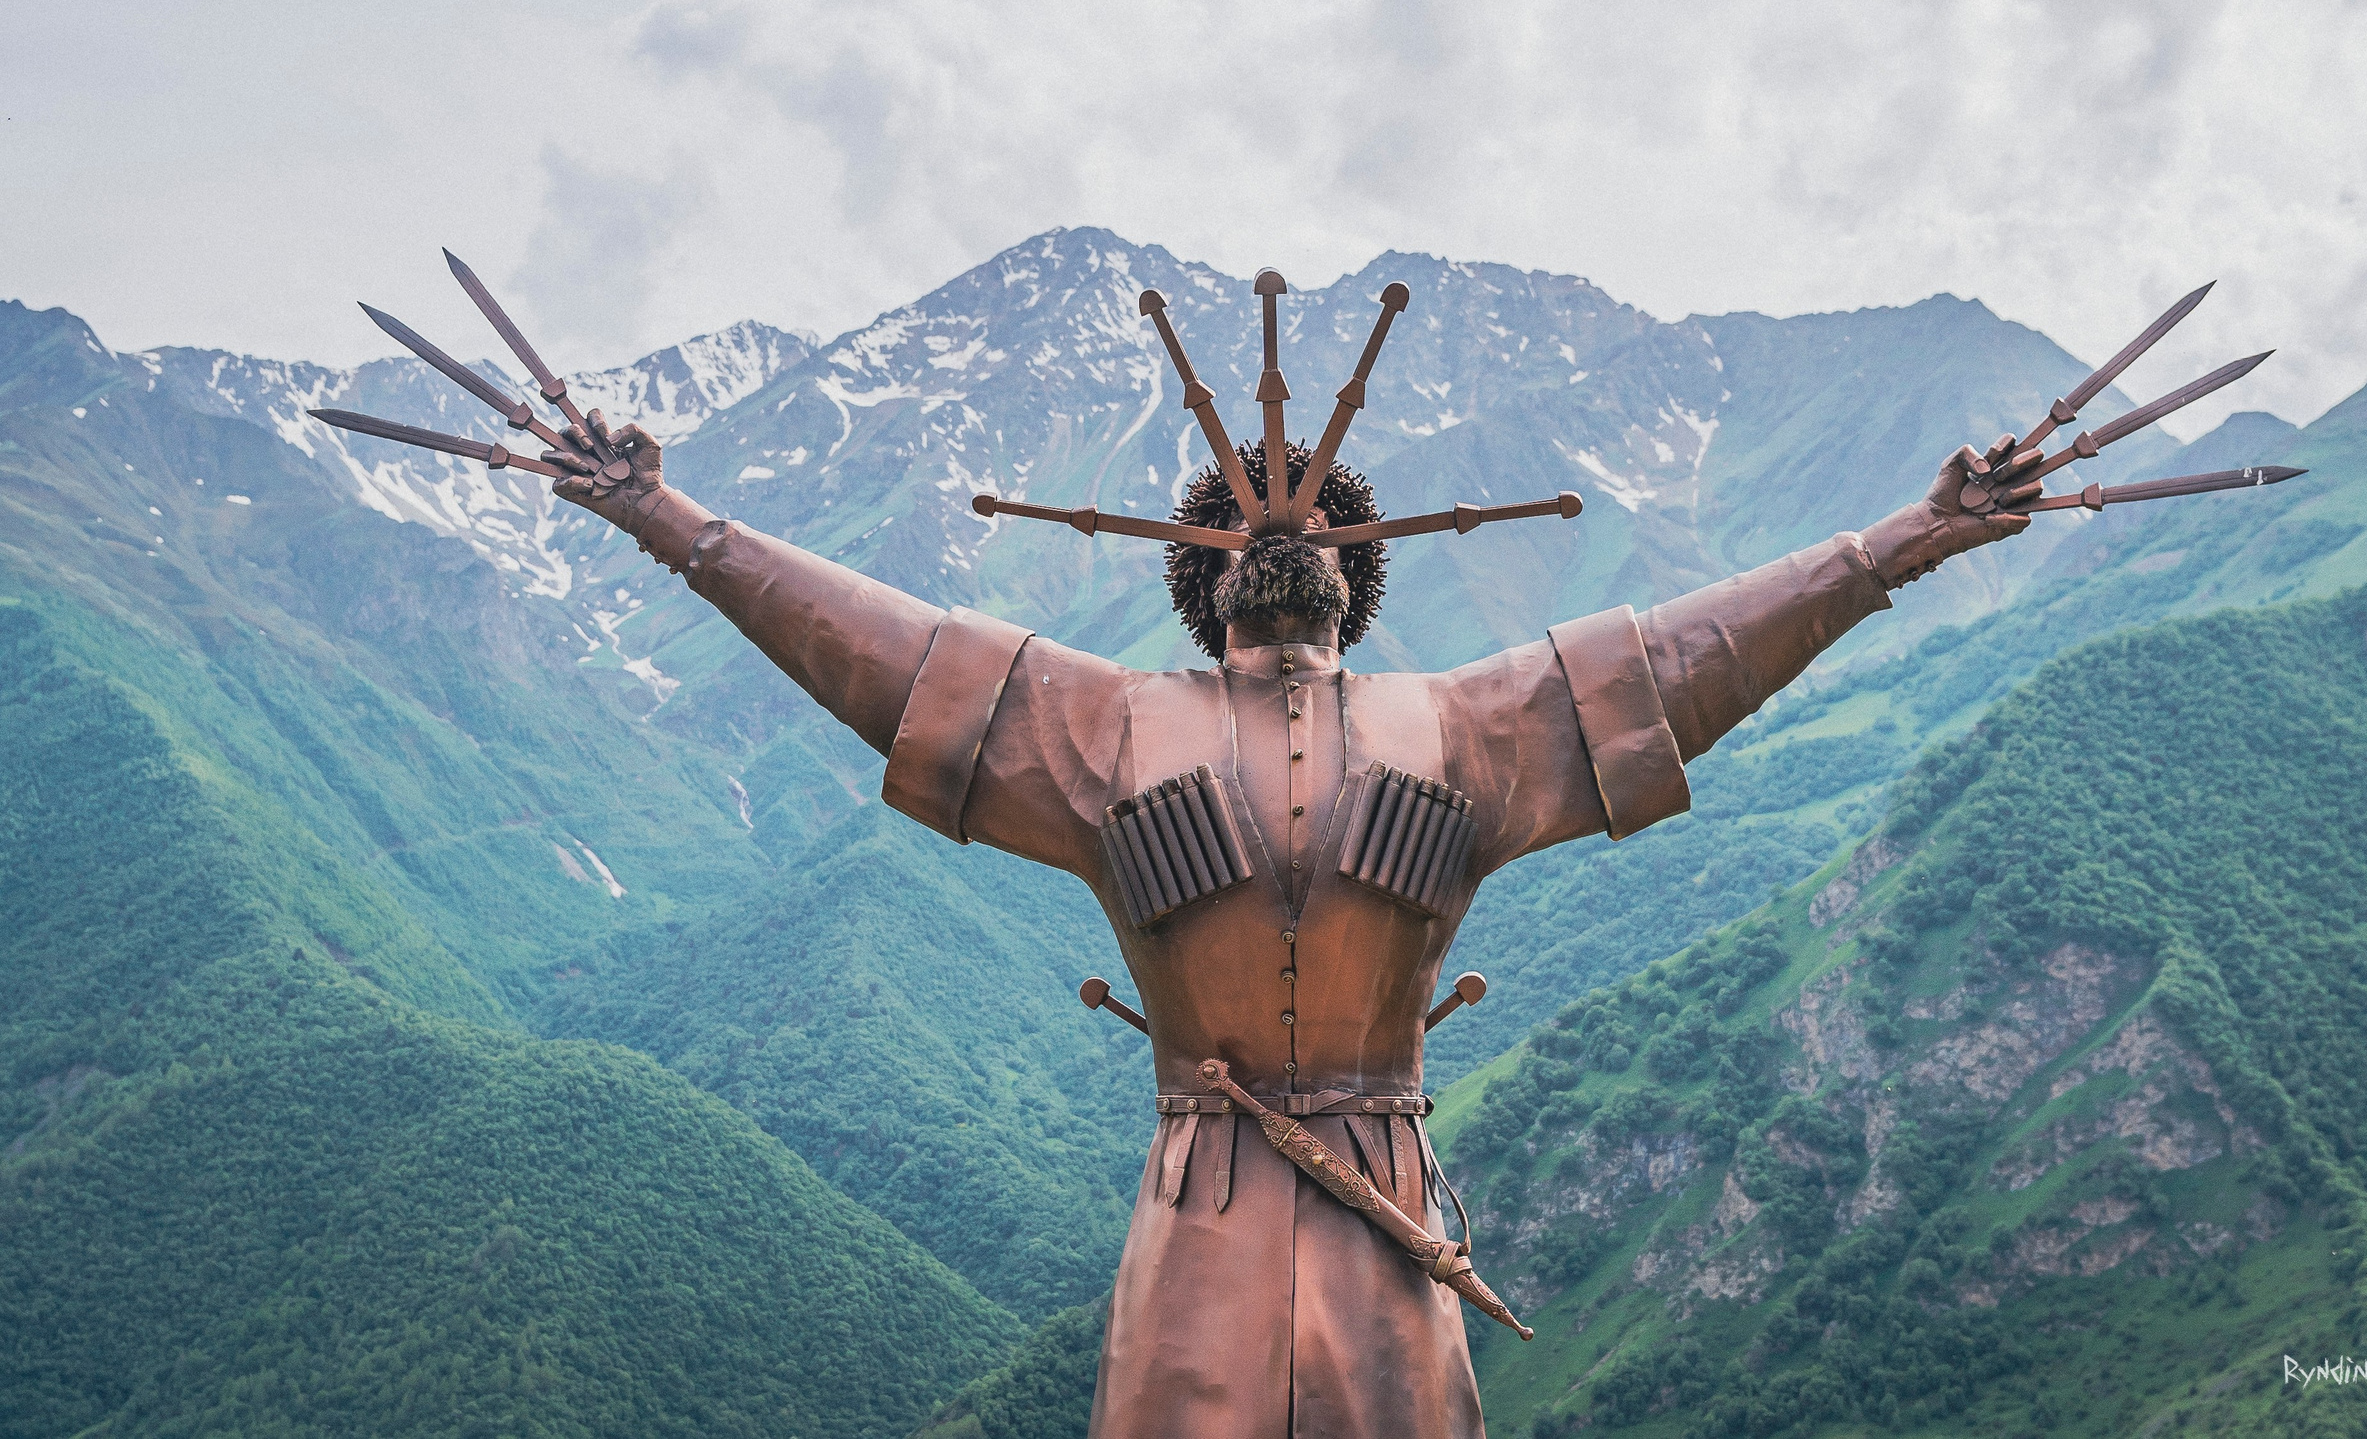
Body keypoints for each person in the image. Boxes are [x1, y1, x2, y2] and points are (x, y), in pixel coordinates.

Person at [547, 349, 2044, 1439]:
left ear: (1356, 571)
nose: (1285, 531)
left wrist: (1907, 541)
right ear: (1207, 577)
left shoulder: (1463, 729)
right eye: (1259, 527)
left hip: (1373, 1198)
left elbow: (1683, 660)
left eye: (1317, 523)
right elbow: (890, 656)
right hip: (1211, 1198)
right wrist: (669, 521)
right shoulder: (1107, 727)